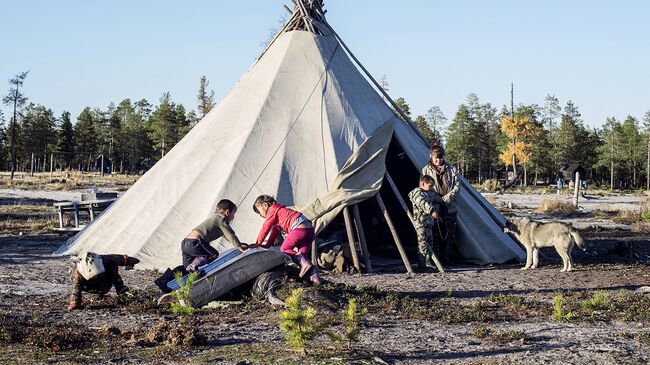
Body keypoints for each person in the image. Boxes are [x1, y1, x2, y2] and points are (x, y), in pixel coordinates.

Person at [253, 195, 321, 285]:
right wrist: (267, 245)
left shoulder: (272, 210)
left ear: (265, 205)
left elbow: (266, 227)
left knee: (284, 249)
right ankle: (315, 277)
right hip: (309, 230)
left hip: (299, 229)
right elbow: (275, 232)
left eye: (259, 212)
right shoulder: (279, 211)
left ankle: (307, 268)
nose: (261, 215)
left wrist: (258, 243)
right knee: (303, 259)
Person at [421, 141, 460, 263]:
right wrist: (438, 199)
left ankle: (447, 258)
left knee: (449, 233)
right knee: (435, 234)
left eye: (440, 157)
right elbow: (424, 188)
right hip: (435, 206)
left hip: (450, 206)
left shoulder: (452, 169)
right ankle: (437, 259)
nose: (438, 160)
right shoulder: (425, 170)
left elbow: (457, 187)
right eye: (435, 158)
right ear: (431, 157)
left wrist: (446, 198)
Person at [181, 199, 246, 268]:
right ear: (227, 212)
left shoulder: (214, 218)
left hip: (185, 243)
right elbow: (230, 235)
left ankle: (172, 274)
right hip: (196, 243)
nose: (233, 217)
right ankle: (192, 266)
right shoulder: (221, 220)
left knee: (186, 267)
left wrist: (238, 243)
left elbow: (226, 236)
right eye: (233, 214)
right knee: (213, 254)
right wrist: (240, 247)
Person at [68, 251, 140, 310]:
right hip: (90, 287)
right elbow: (75, 289)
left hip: (105, 284)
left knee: (112, 264)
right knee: (77, 284)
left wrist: (129, 261)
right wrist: (74, 303)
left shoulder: (104, 259)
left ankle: (120, 288)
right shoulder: (77, 274)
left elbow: (123, 259)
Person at [408, 175, 441, 272]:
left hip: (428, 222)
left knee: (429, 243)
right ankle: (421, 265)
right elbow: (423, 204)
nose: (431, 188)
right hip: (421, 223)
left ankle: (428, 263)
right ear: (423, 184)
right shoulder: (417, 194)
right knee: (422, 244)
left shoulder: (427, 193)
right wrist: (432, 211)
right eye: (430, 186)